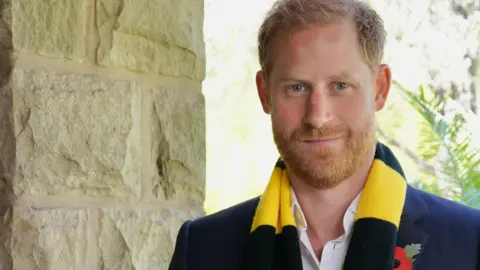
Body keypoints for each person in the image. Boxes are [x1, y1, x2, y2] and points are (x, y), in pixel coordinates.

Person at [168, 0, 480, 269]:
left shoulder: (469, 242)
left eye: (340, 86)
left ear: (380, 89)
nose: (317, 116)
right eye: (296, 88)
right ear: (265, 94)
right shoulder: (201, 250)